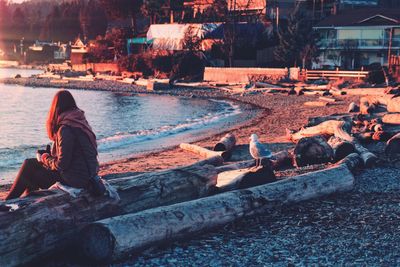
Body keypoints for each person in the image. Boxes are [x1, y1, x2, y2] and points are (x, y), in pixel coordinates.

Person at [5, 90, 98, 200]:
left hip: (76, 181)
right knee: (32, 168)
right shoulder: (80, 122)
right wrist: (49, 157)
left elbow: (62, 165)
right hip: (88, 176)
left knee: (30, 167)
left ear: (56, 107)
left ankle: (8, 202)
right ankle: (25, 202)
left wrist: (44, 158)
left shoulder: (66, 128)